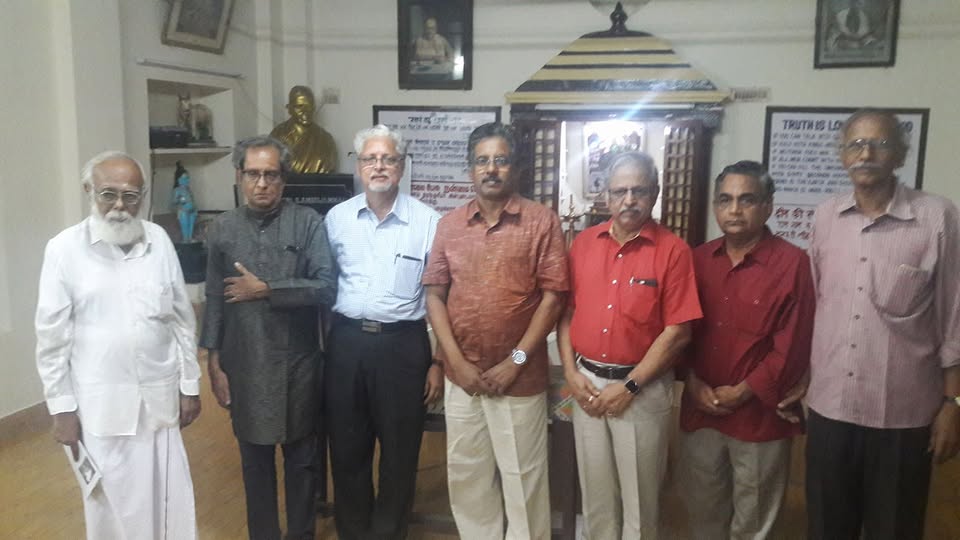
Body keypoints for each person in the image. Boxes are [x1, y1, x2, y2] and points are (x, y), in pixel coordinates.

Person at [791, 109, 960, 539]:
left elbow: (953, 316)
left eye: (879, 144)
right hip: (831, 410)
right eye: (855, 144)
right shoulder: (826, 216)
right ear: (843, 154)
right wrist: (806, 380)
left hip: (902, 418)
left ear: (899, 154)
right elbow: (821, 307)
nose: (865, 153)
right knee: (827, 528)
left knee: (895, 529)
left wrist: (953, 405)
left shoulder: (937, 217)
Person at [35, 151, 201, 539]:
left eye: (131, 196)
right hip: (102, 411)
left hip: (159, 403)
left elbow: (181, 319)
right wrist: (61, 409)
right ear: (88, 190)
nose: (120, 206)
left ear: (143, 196)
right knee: (113, 512)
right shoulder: (63, 250)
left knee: (170, 505)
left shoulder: (158, 239)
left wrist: (190, 387)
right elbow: (51, 338)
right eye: (108, 194)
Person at [423, 122, 568, 539]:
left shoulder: (542, 222)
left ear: (515, 168)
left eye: (500, 160)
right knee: (468, 477)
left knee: (524, 479)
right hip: (462, 378)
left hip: (519, 378)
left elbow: (553, 298)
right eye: (482, 161)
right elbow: (435, 296)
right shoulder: (449, 225)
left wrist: (515, 361)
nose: (491, 169)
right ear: (470, 170)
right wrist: (455, 362)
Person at [557, 151, 701, 539]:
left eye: (639, 190)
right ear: (605, 196)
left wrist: (630, 386)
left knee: (641, 502)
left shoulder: (673, 251)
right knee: (596, 497)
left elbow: (678, 332)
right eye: (620, 190)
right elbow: (566, 313)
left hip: (642, 391)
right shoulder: (584, 244)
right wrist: (571, 373)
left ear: (654, 193)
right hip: (585, 386)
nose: (629, 199)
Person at [200, 135, 337, 540]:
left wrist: (268, 290)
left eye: (271, 175)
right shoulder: (223, 228)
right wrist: (213, 361)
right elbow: (213, 298)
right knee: (253, 461)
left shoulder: (308, 222)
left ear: (284, 179)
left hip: (298, 365)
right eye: (254, 174)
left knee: (302, 460)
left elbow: (326, 287)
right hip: (244, 363)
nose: (262, 183)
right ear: (240, 176)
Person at [678, 161, 815, 539]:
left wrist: (743, 391)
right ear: (715, 207)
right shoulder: (697, 260)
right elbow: (680, 333)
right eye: (725, 200)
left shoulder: (793, 263)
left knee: (753, 524)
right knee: (703, 514)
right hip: (701, 409)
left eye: (747, 200)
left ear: (768, 206)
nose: (734, 210)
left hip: (758, 416)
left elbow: (793, 344)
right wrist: (691, 383)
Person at [323, 124, 443, 539]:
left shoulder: (428, 222)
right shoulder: (336, 220)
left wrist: (438, 361)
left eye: (388, 159)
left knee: (400, 452)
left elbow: (441, 298)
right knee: (347, 449)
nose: (379, 166)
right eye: (371, 159)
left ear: (402, 166)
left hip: (403, 348)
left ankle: (389, 533)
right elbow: (323, 287)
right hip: (346, 344)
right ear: (358, 167)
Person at [269, 85, 339, 174]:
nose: (306, 111)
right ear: (289, 108)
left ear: (314, 107)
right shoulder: (277, 135)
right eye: (299, 106)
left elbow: (328, 169)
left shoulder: (325, 140)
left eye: (309, 106)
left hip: (316, 186)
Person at [171, 161, 198, 242]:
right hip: (183, 211)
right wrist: (180, 200)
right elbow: (174, 201)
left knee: (191, 227)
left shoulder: (188, 189)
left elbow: (192, 199)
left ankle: (190, 238)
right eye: (184, 178)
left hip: (192, 211)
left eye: (187, 178)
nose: (186, 180)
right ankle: (186, 239)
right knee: (185, 227)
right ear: (178, 180)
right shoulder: (177, 190)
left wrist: (195, 208)